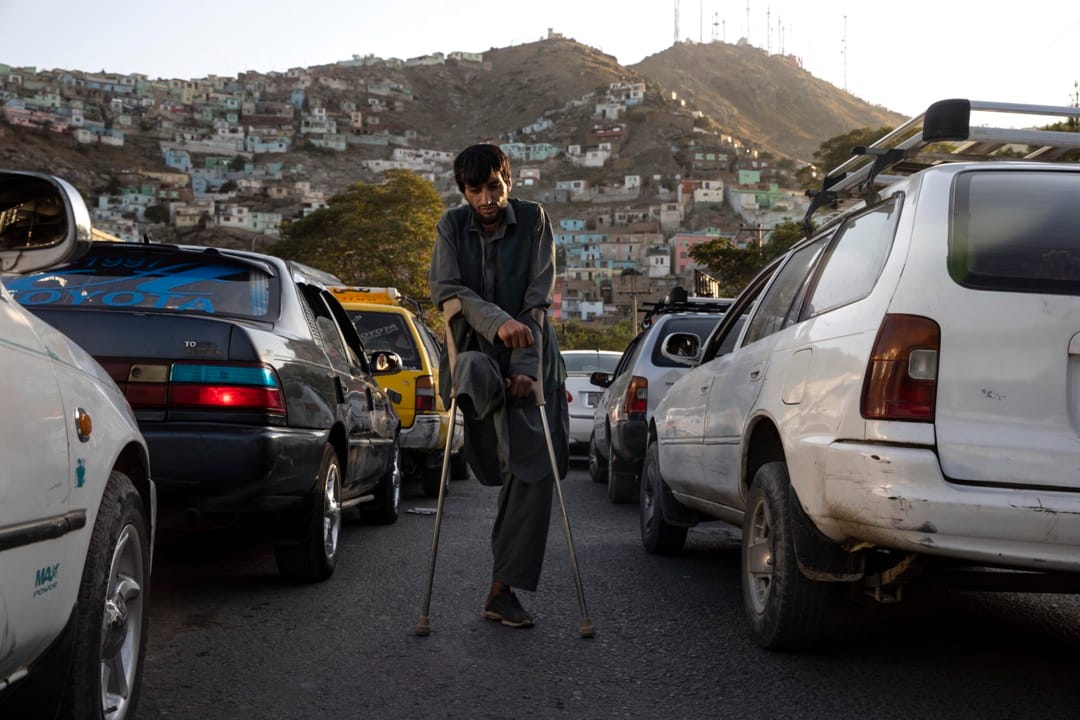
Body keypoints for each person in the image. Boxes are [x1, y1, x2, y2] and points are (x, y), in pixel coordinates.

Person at [429, 143, 568, 629]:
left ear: (508, 181)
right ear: (463, 191)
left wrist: (525, 365)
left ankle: (502, 589)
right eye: (475, 190)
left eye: (494, 187)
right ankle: (485, 417)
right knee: (490, 446)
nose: (486, 199)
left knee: (532, 473)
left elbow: (538, 299)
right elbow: (447, 290)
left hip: (533, 364)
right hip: (475, 362)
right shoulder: (451, 226)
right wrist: (496, 322)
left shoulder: (533, 220)